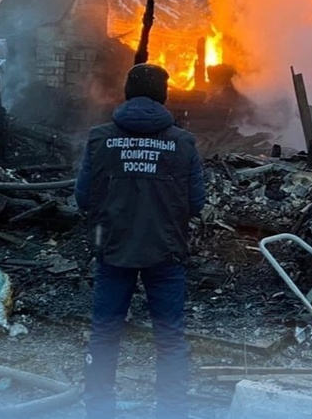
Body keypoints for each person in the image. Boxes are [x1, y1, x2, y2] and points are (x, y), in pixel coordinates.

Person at [75, 63, 206, 419]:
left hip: (111, 250)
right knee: (170, 339)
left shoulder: (100, 139)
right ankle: (172, 412)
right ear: (163, 96)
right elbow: (196, 203)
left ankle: (99, 410)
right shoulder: (183, 143)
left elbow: (83, 198)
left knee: (104, 335)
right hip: (166, 252)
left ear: (127, 93)